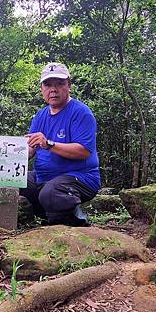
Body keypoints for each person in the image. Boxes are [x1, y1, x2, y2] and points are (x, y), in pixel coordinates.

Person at [21, 62, 101, 226]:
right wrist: (9, 153)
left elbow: (83, 151)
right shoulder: (40, 116)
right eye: (48, 85)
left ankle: (75, 220)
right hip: (44, 177)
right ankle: (51, 215)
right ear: (42, 88)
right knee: (14, 180)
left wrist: (49, 144)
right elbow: (30, 149)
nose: (53, 89)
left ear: (69, 85)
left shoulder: (81, 113)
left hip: (80, 177)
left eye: (59, 84)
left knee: (50, 193)